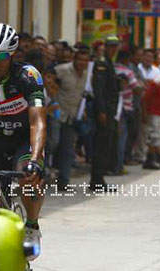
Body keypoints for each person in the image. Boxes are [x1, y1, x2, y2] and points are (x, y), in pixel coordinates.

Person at [0, 23, 47, 254]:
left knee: (28, 177)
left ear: (12, 54)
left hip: (24, 138)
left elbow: (38, 122)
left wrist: (35, 159)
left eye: (2, 55)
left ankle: (32, 226)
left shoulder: (28, 75)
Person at [54, 47, 90, 190]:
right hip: (57, 114)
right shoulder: (61, 70)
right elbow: (50, 83)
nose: (82, 62)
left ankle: (63, 181)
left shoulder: (87, 75)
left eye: (85, 60)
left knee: (68, 150)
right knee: (52, 144)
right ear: (74, 59)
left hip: (73, 117)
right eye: (80, 59)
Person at [89, 35, 120, 192]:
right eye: (111, 46)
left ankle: (99, 178)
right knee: (101, 145)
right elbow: (99, 89)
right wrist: (101, 111)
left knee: (106, 144)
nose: (113, 49)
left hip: (110, 110)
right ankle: (97, 179)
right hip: (104, 110)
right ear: (106, 47)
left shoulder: (109, 63)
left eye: (115, 46)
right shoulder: (101, 63)